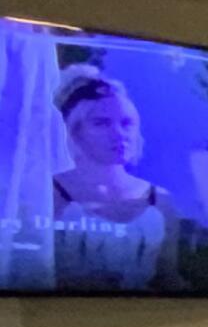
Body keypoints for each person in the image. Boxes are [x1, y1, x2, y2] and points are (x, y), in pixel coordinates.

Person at [51, 67, 193, 292]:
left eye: (126, 123)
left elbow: (167, 274)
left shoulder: (160, 199)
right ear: (75, 130)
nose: (119, 134)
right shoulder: (50, 193)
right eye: (102, 123)